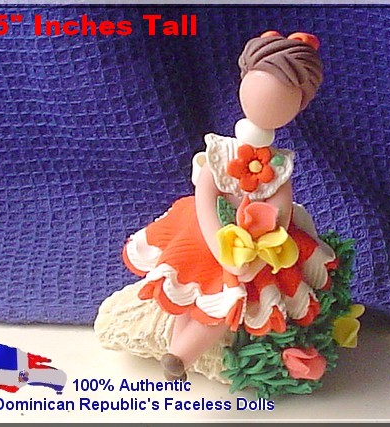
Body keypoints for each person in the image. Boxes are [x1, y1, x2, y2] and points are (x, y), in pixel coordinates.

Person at [122, 31, 337, 381]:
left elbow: (281, 213)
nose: (268, 102)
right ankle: (176, 352)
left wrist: (257, 253)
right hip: (207, 234)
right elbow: (205, 198)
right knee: (191, 282)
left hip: (255, 246)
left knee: (234, 297)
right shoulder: (221, 153)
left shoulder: (279, 166)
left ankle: (179, 356)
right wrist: (219, 246)